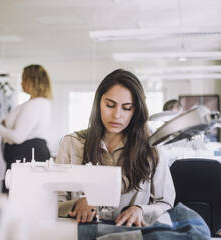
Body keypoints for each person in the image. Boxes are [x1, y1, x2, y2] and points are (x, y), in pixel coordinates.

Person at [56, 69, 175, 227]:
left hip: (130, 235)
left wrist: (140, 210)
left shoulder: (152, 148)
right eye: (110, 105)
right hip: (81, 234)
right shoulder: (72, 143)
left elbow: (165, 203)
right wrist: (77, 204)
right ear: (98, 104)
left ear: (136, 110)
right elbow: (54, 200)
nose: (116, 115)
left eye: (126, 108)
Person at [0, 64, 52, 182]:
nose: (21, 83)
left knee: (20, 196)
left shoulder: (35, 104)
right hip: (26, 154)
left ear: (33, 81)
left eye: (24, 79)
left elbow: (18, 137)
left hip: (27, 155)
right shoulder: (36, 103)